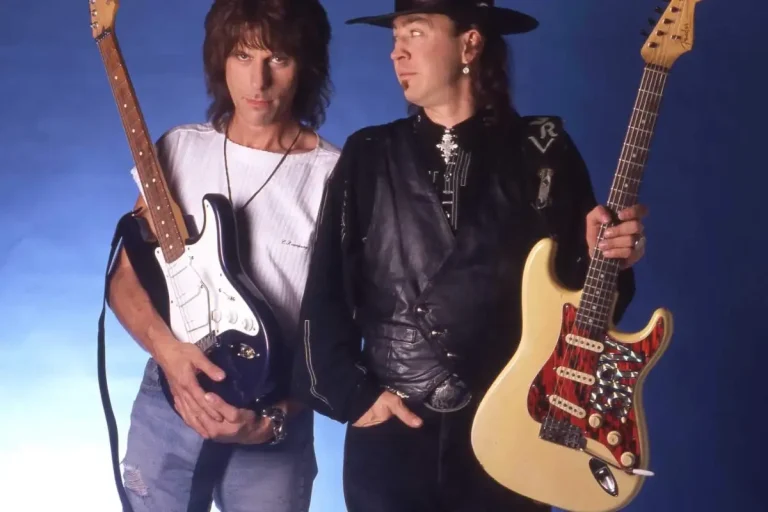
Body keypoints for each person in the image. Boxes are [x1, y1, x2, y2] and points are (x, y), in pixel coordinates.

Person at [291, 1, 648, 511]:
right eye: (394, 36)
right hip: (393, 435)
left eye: (414, 32)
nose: (397, 52)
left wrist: (609, 257)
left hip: (514, 430)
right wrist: (356, 397)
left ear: (471, 43)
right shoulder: (368, 154)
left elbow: (584, 312)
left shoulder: (543, 151)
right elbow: (324, 294)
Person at [106, 0, 338, 510]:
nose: (258, 81)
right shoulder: (178, 150)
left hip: (274, 415)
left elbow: (343, 334)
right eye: (242, 56)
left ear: (307, 65)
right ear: (220, 61)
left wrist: (271, 420)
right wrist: (169, 355)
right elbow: (125, 280)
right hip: (172, 397)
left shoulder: (335, 177)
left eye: (277, 59)